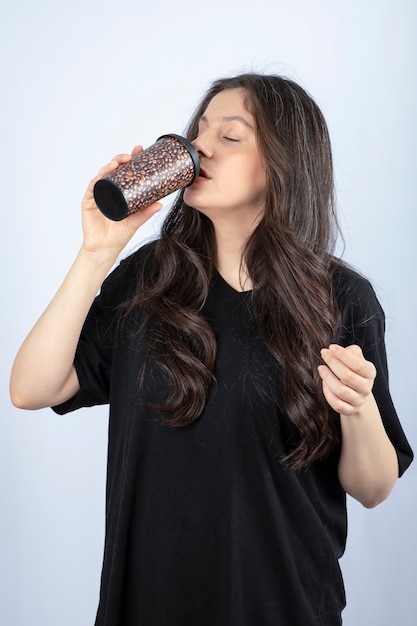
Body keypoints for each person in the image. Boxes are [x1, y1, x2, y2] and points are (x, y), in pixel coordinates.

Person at [10, 73, 413, 625]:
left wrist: (359, 405)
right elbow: (31, 388)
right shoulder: (149, 282)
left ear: (282, 164)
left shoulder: (340, 299)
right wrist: (97, 251)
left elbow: (373, 489)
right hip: (147, 605)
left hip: (283, 606)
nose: (200, 146)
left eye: (230, 136)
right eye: (199, 131)